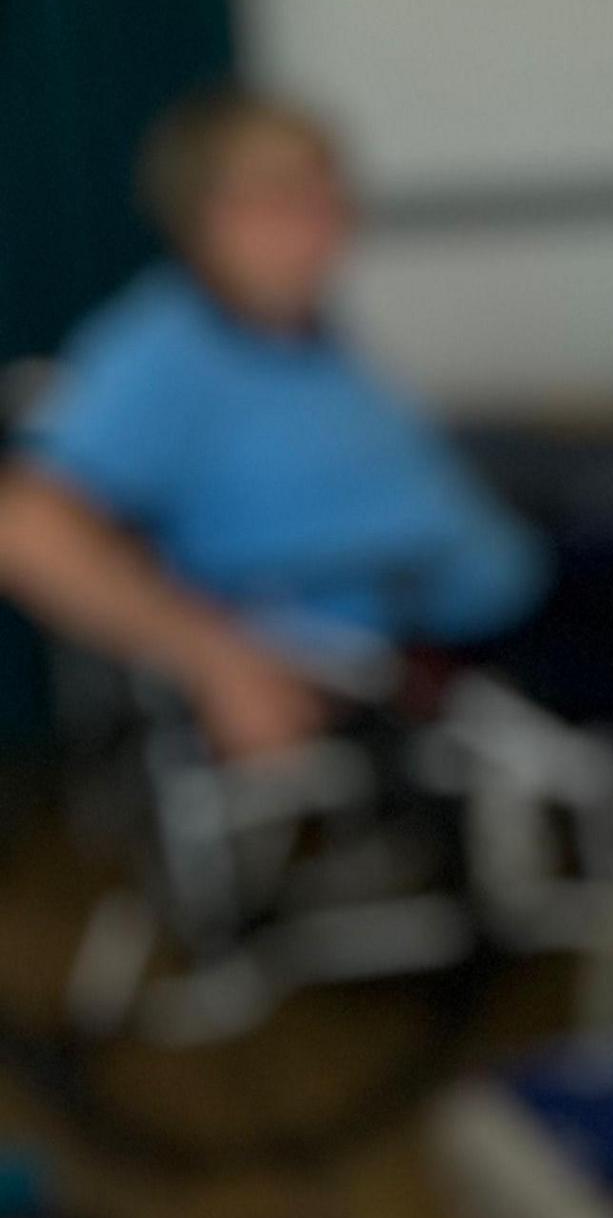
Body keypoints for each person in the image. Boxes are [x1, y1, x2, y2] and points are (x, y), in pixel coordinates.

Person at [1, 87, 548, 761]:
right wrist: (220, 662)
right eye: (285, 198)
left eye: (328, 193)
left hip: (504, 586)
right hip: (416, 661)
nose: (324, 222)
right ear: (203, 215)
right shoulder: (165, 354)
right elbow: (25, 528)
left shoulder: (297, 331)